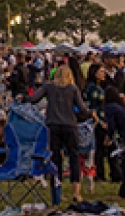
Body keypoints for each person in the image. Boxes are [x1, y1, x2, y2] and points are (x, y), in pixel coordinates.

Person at [38, 64, 89, 202]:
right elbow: (82, 108)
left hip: (53, 125)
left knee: (56, 159)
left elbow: (34, 98)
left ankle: (57, 193)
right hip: (70, 125)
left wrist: (22, 97)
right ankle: (76, 192)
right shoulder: (73, 89)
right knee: (74, 157)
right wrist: (92, 114)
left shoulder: (49, 87)